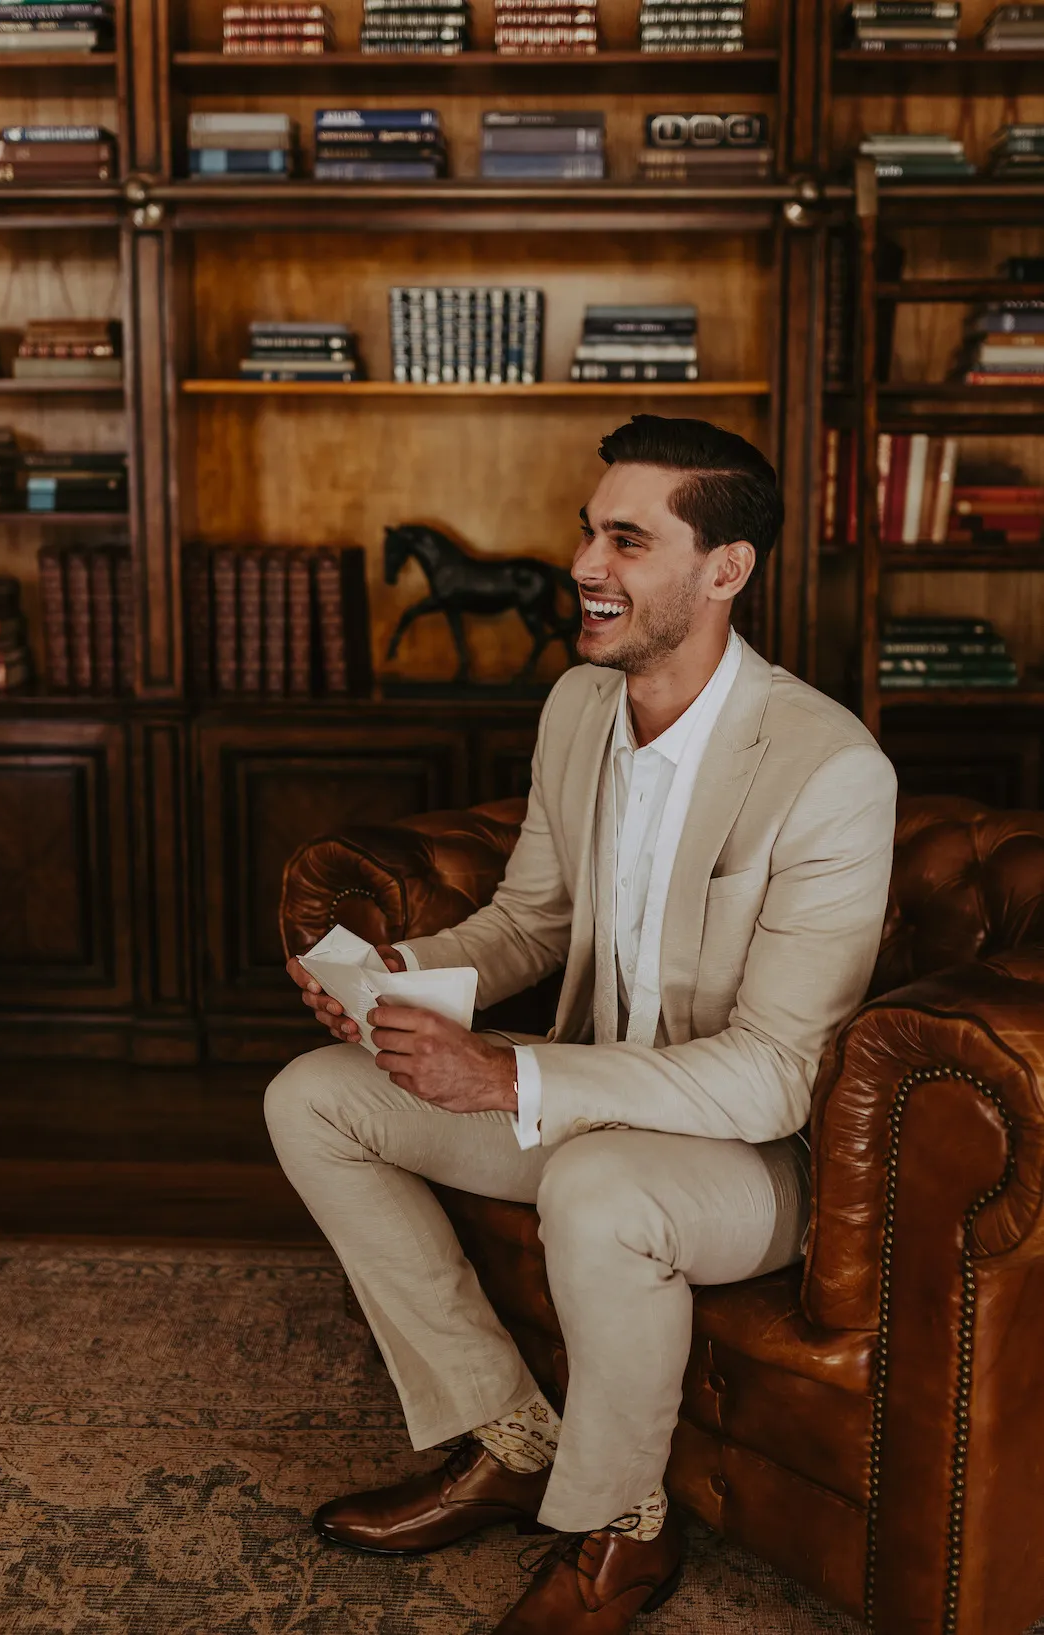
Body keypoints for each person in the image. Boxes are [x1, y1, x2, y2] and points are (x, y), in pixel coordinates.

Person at [264, 414, 898, 1635]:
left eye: (627, 539)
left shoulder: (828, 770)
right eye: (584, 533)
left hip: (752, 1160)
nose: (585, 568)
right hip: (581, 1105)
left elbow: (774, 1078)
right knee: (314, 1099)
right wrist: (405, 968)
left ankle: (623, 1528)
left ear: (726, 569)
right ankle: (505, 1436)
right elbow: (531, 918)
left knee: (604, 1187)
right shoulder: (577, 705)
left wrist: (509, 1074)